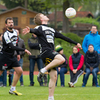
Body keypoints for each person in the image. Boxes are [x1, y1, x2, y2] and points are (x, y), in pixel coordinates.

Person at [22, 13, 82, 100]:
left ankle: (50, 97)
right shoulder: (39, 28)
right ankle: (43, 69)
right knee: (62, 59)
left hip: (50, 52)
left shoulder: (51, 29)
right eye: (43, 15)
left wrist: (76, 43)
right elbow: (35, 31)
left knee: (54, 77)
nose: (46, 15)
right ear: (41, 19)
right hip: (46, 52)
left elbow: (63, 37)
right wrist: (30, 30)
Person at [0, 17, 31, 95]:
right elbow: (11, 46)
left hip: (12, 56)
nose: (11, 24)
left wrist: (17, 53)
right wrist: (23, 50)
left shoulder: (14, 32)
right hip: (4, 56)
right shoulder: (5, 34)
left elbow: (16, 44)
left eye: (12, 22)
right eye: (9, 22)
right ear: (6, 24)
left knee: (19, 71)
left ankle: (12, 89)